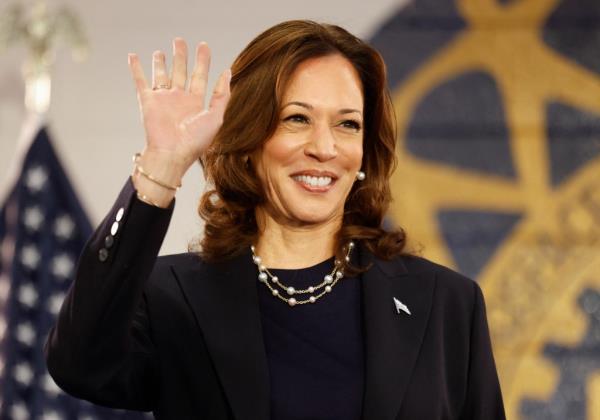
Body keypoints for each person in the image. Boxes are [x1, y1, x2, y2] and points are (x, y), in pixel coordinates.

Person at [44, 20, 506, 420]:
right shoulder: (172, 299)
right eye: (296, 119)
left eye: (347, 124)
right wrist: (161, 170)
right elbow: (79, 365)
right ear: (249, 139)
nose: (324, 148)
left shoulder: (447, 305)